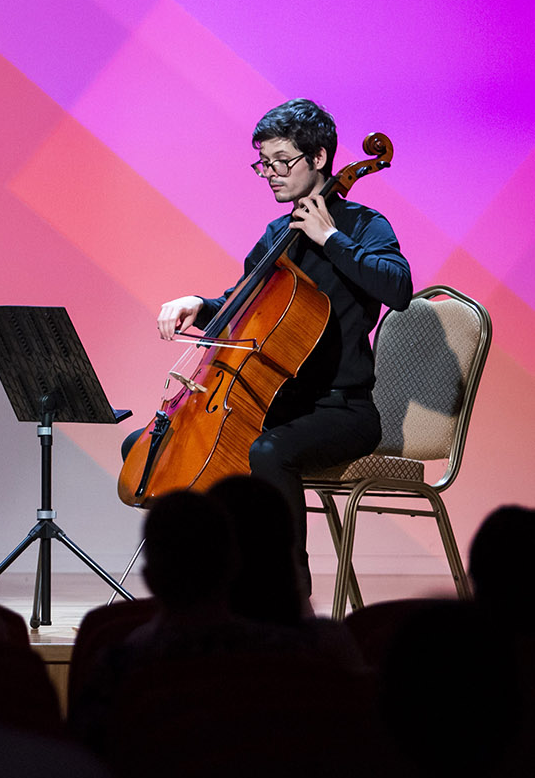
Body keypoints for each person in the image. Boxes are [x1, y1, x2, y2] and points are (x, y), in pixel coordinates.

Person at [145, 98, 412, 589]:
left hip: (342, 409)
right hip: (276, 403)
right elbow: (240, 310)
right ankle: (208, 588)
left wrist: (331, 239)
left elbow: (398, 290)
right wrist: (198, 305)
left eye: (282, 161)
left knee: (269, 452)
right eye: (263, 163)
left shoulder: (363, 225)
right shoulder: (276, 235)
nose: (270, 173)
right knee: (159, 446)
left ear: (319, 158)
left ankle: (287, 590)